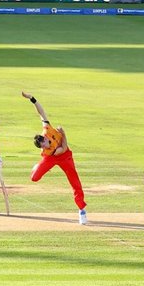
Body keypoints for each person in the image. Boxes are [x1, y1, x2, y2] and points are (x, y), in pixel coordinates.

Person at [22, 92, 87, 224]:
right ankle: (36, 167)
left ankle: (81, 210)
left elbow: (41, 113)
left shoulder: (46, 129)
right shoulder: (49, 151)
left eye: (44, 140)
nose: (46, 142)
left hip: (66, 157)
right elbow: (62, 148)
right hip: (57, 154)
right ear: (42, 147)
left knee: (74, 180)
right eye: (44, 144)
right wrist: (64, 134)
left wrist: (32, 99)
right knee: (34, 178)